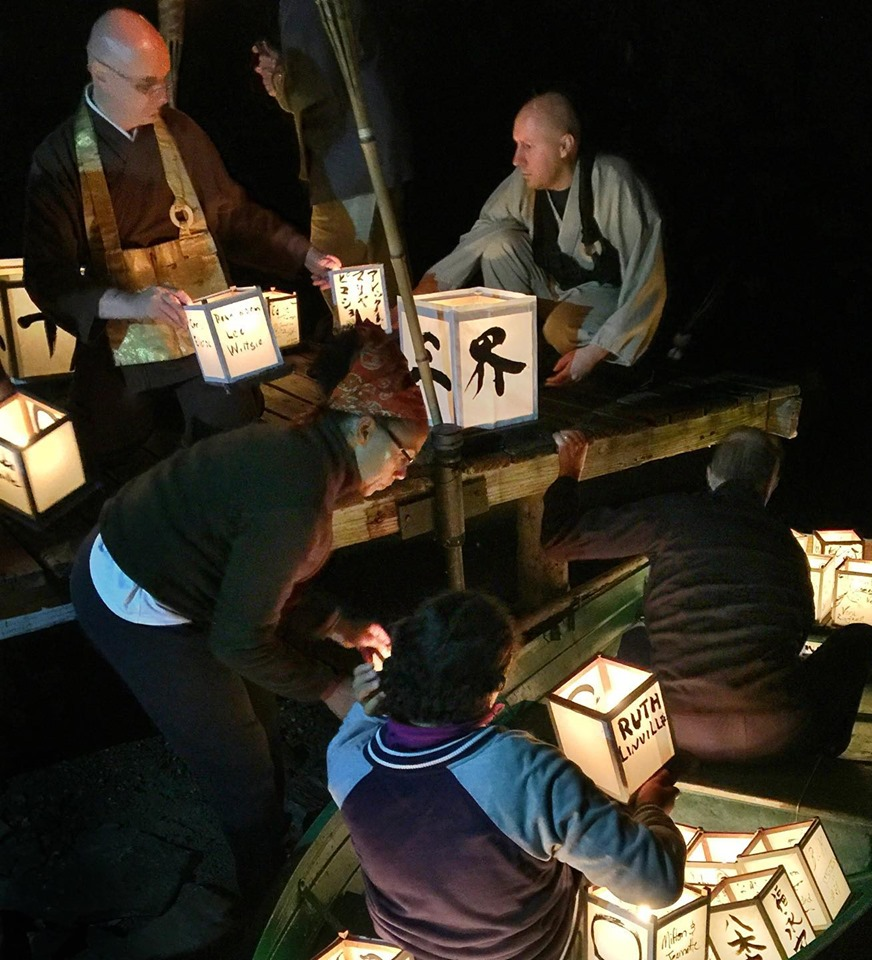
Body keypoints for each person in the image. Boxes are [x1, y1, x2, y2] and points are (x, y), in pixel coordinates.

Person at [69, 321, 428, 909]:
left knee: (261, 719)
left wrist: (339, 625)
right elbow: (238, 641)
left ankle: (271, 841)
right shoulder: (293, 493)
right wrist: (331, 688)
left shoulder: (304, 458)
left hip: (180, 570)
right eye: (405, 454)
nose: (403, 471)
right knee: (237, 755)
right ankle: (266, 898)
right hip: (132, 590)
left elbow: (259, 582)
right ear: (365, 427)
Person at [23, 8, 340, 467]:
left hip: (202, 331)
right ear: (100, 74)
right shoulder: (58, 160)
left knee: (231, 426)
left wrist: (306, 256)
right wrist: (131, 303)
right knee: (108, 443)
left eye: (165, 80)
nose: (163, 94)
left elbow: (235, 217)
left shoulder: (179, 130)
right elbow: (49, 277)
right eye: (146, 84)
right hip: (120, 335)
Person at [328, 590, 685, 960]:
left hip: (421, 950)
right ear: (494, 688)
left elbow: (363, 730)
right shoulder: (521, 769)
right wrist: (650, 810)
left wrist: (364, 712)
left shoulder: (346, 763)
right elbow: (657, 884)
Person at [541, 426, 872, 764]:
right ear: (769, 486)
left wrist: (569, 472)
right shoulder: (786, 545)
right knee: (860, 639)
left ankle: (642, 755)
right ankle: (827, 745)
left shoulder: (672, 516)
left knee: (636, 640)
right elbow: (800, 628)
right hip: (781, 734)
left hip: (673, 731)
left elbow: (559, 540)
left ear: (709, 475)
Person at [414, 91, 667, 387]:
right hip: (552, 289)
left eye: (528, 146)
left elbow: (646, 274)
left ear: (564, 146)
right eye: (517, 145)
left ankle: (598, 370)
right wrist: (428, 288)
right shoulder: (525, 182)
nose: (517, 159)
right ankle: (515, 353)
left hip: (604, 298)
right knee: (498, 242)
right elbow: (485, 230)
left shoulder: (611, 180)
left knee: (561, 328)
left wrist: (596, 351)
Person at [253, 0, 412, 300]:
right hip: (374, 152)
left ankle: (372, 347)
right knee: (385, 282)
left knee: (342, 283)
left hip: (346, 160)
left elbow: (310, 88)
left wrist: (277, 80)